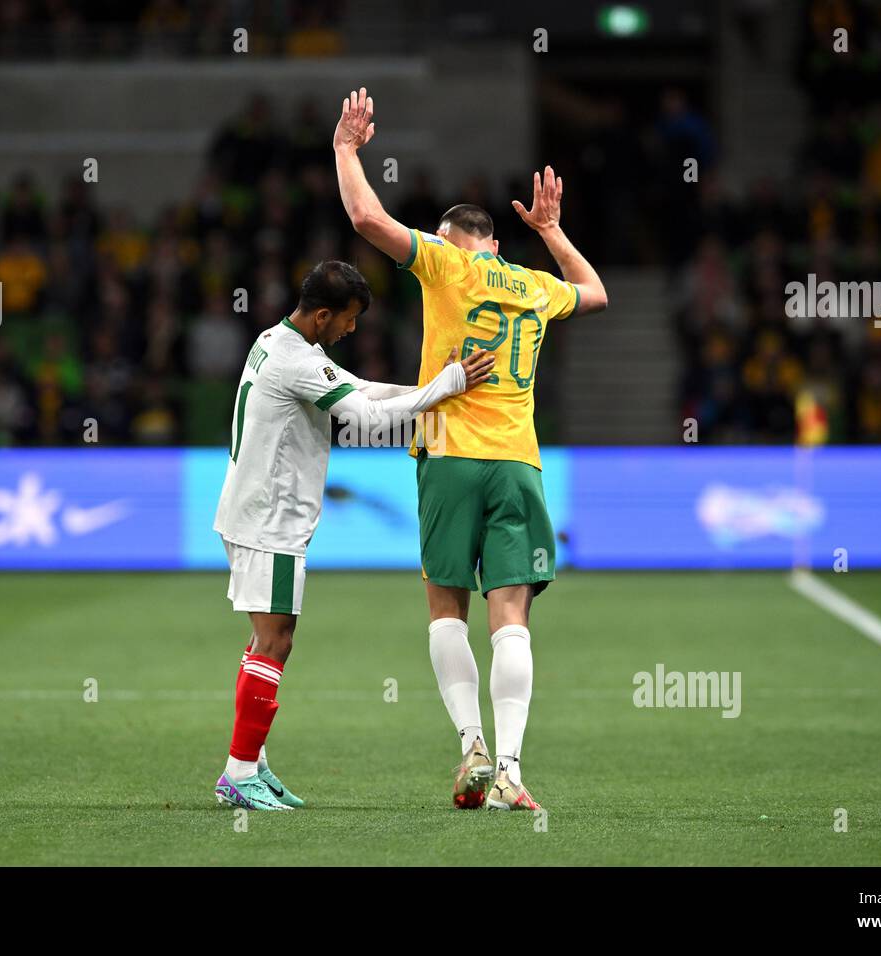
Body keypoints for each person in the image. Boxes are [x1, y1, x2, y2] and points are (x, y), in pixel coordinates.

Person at [332, 88, 609, 810]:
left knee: (445, 608)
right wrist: (552, 230)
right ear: (496, 244)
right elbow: (596, 293)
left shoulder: (446, 265)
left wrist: (345, 149)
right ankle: (511, 770)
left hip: (446, 452)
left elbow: (366, 218)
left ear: (448, 240)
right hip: (518, 461)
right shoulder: (534, 286)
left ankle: (472, 747)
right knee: (511, 615)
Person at [211, 260, 495, 810]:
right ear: (323, 315)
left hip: (258, 511)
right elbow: (366, 416)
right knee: (275, 641)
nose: (353, 328)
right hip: (269, 518)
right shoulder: (296, 360)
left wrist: (434, 388)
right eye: (349, 318)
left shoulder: (279, 341)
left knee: (266, 640)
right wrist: (446, 387)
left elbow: (360, 388)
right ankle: (239, 772)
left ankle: (251, 764)